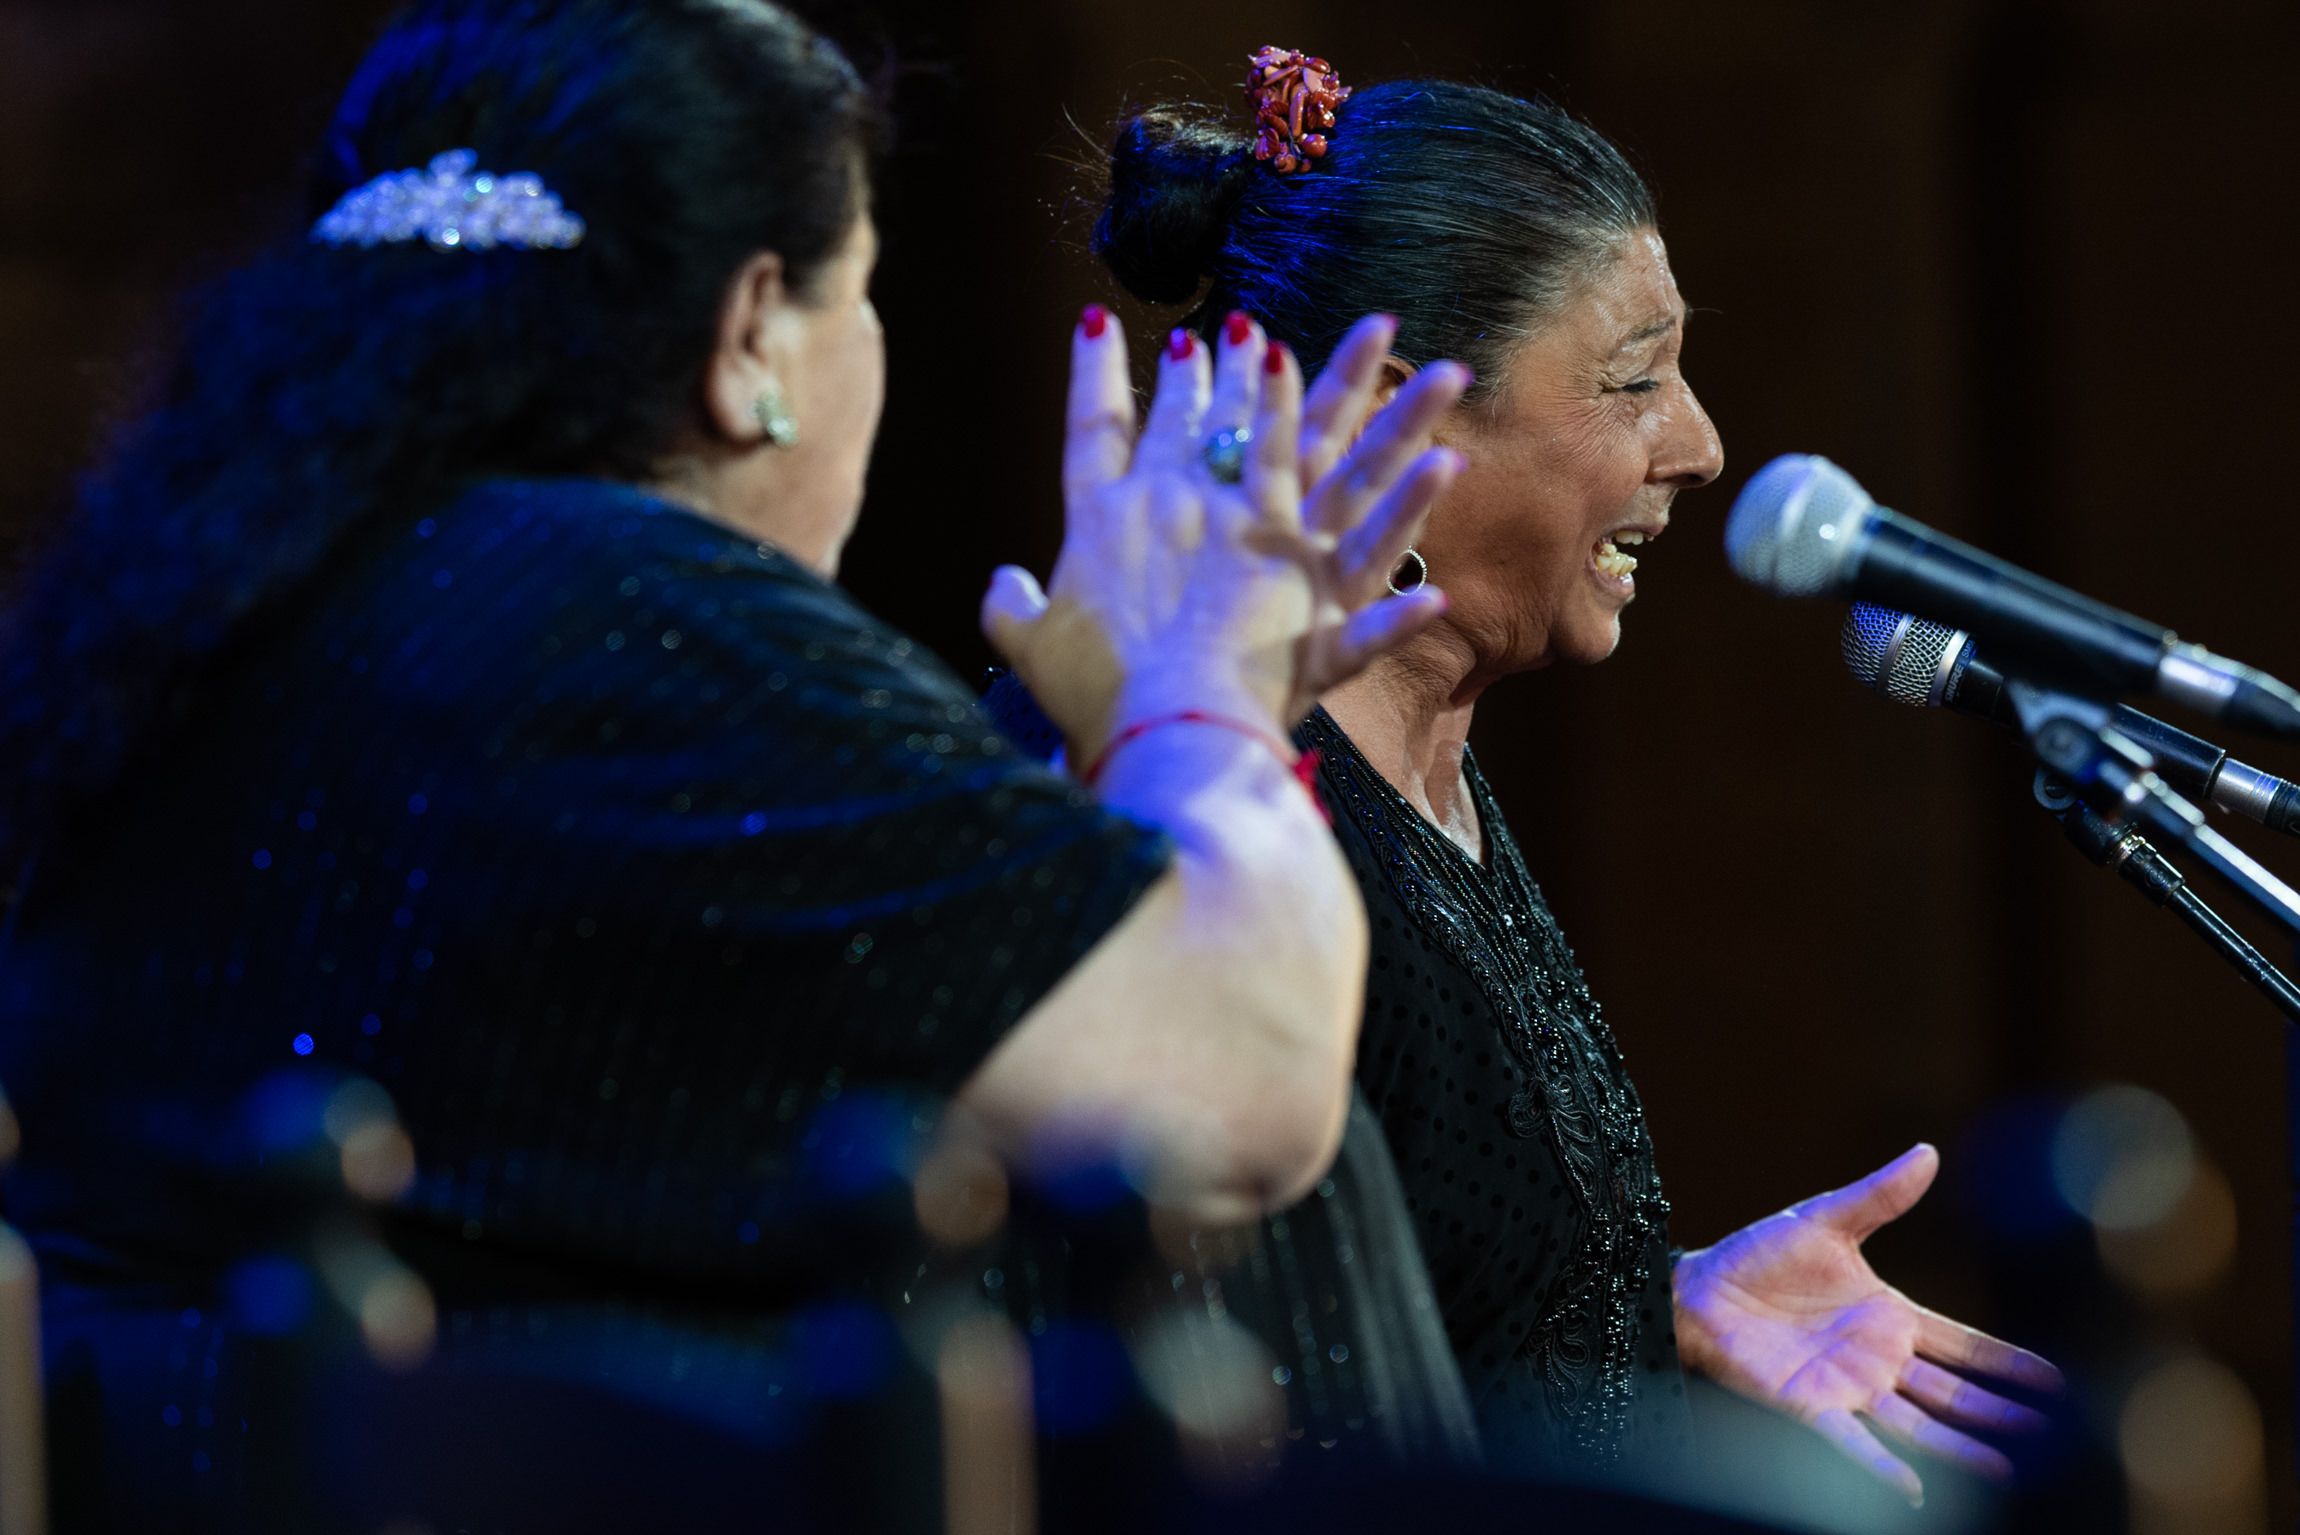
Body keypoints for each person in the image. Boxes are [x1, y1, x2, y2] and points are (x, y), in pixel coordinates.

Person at [0, 4, 1476, 1527]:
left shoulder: (191, 605)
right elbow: (1234, 1079)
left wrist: (1125, 737)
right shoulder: (623, 625)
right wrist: (1210, 683)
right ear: (755, 334)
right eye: (866, 295)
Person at [1083, 48, 2065, 1505]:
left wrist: (1653, 1314)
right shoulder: (1202, 807)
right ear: (1388, 418)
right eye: (1632, 381)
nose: (1704, 443)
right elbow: (1230, 1421)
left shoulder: (1435, 778)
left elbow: (1404, 1294)